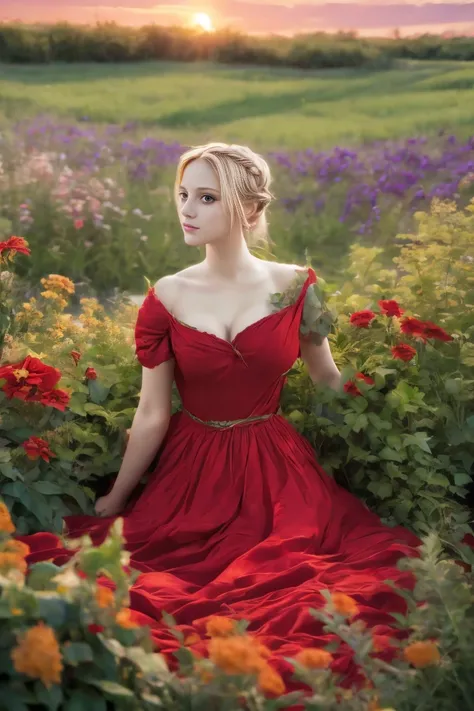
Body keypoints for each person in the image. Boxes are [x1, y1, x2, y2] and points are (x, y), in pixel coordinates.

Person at [21, 142, 420, 690]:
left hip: (277, 469)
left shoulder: (296, 286)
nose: (187, 209)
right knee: (164, 580)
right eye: (183, 195)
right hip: (193, 470)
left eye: (206, 198)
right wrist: (116, 496)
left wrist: (394, 407)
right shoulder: (167, 295)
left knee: (299, 573)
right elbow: (153, 411)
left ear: (251, 210)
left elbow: (328, 378)